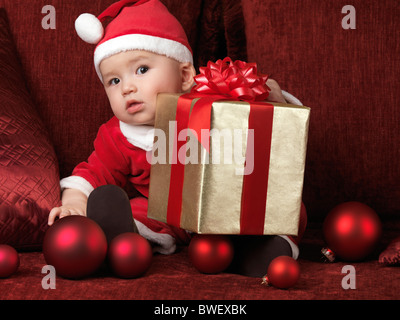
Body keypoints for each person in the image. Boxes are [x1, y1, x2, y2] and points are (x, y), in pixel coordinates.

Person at [48, 0, 306, 276]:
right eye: (114, 81)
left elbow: (266, 122)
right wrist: (74, 202)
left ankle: (265, 246)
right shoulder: (117, 135)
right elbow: (92, 173)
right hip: (167, 214)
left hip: (228, 203)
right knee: (132, 206)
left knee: (289, 206)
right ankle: (126, 234)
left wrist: (273, 98)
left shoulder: (209, 102)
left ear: (185, 76)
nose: (127, 88)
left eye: (142, 70)